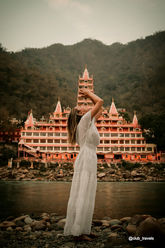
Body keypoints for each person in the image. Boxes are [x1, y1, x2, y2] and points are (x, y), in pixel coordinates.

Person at [64, 88, 103, 240]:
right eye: (79, 107)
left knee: (88, 193)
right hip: (86, 157)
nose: (82, 105)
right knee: (82, 193)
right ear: (79, 114)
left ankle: (84, 228)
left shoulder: (88, 121)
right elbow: (100, 101)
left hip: (90, 157)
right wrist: (87, 93)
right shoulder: (85, 120)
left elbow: (101, 109)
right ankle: (77, 232)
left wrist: (89, 98)